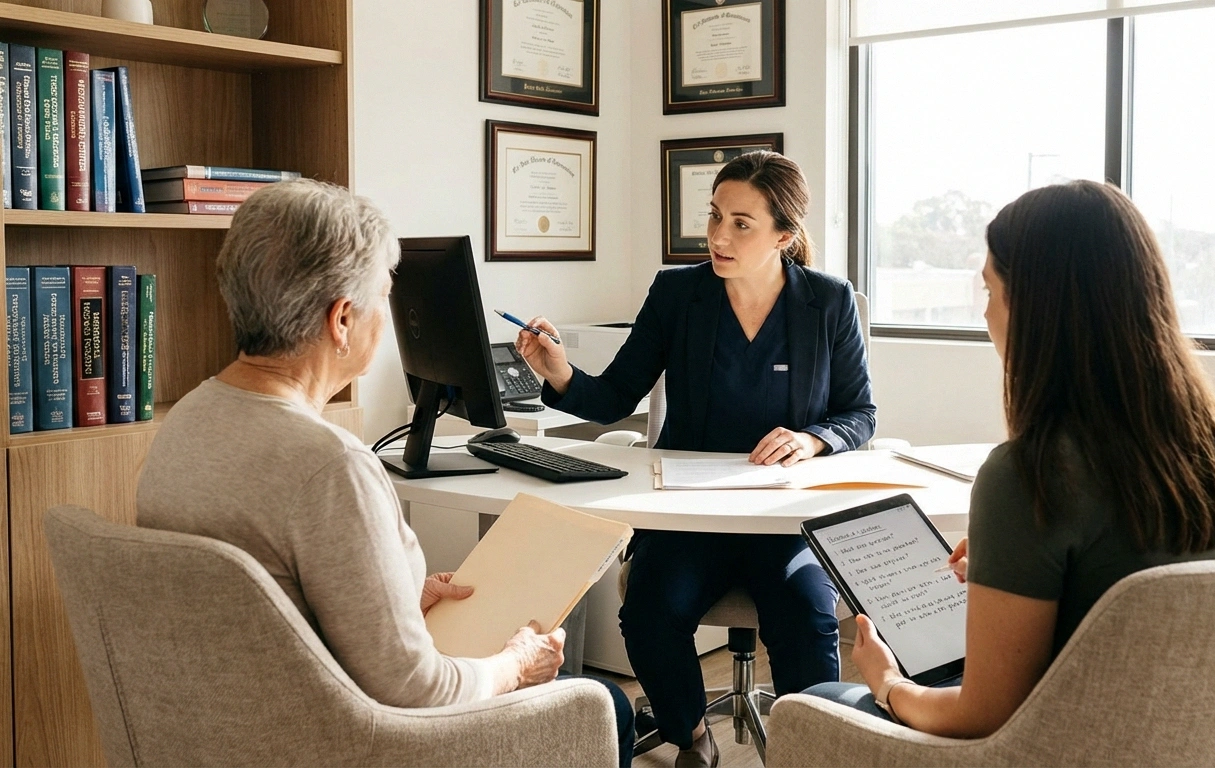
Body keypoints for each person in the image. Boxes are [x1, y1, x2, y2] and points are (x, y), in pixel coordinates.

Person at [135, 180, 635, 767]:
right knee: (605, 703)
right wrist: (515, 663)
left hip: (237, 734)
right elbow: (418, 692)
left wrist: (393, 596)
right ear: (343, 319)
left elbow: (261, 615)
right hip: (349, 746)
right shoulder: (331, 468)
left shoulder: (186, 419)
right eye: (385, 298)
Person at [802, 180, 1215, 736]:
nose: (985, 316)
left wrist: (888, 683)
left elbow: (982, 718)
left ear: (1037, 308)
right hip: (1189, 739)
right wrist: (1021, 566)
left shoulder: (1032, 477)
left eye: (991, 293)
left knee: (820, 698)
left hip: (1068, 747)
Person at [515, 151, 876, 767]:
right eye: (714, 216)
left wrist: (813, 438)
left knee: (807, 618)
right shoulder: (678, 293)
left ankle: (808, 753)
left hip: (781, 520)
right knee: (650, 610)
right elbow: (612, 397)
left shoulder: (828, 302)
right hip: (689, 515)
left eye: (741, 223)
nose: (717, 235)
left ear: (783, 236)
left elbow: (859, 414)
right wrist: (560, 374)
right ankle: (691, 735)